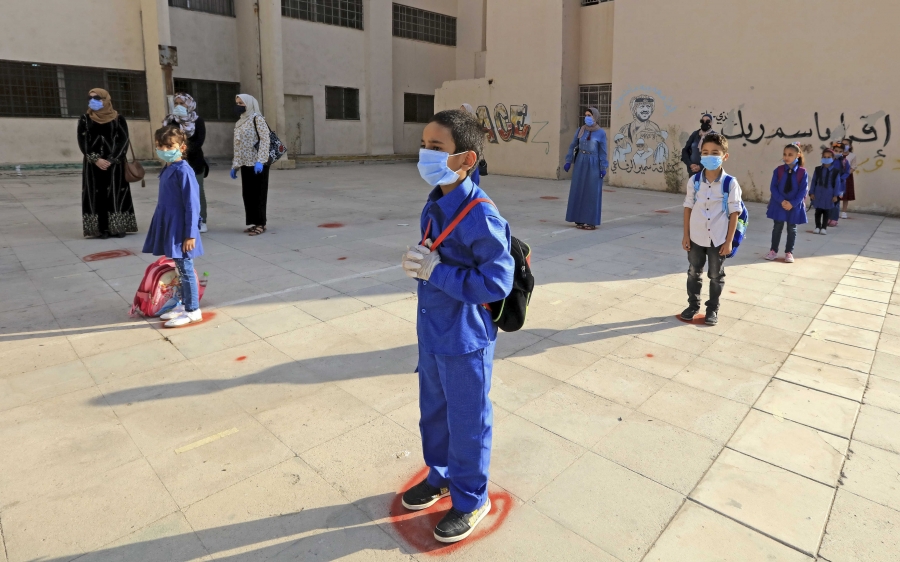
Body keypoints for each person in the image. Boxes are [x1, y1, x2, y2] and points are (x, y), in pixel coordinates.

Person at [399, 109, 514, 544]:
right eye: (423, 145)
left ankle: (471, 499)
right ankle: (441, 476)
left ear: (466, 159)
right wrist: (422, 262)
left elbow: (497, 282)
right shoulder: (434, 203)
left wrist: (436, 271)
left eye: (436, 148)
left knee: (467, 422)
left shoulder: (480, 215)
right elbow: (438, 253)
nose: (425, 155)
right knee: (434, 413)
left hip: (464, 338)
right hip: (433, 331)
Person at [143, 125, 204, 328]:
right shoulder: (169, 168)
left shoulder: (184, 171)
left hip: (181, 228)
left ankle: (193, 310)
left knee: (185, 269)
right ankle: (183, 304)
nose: (164, 150)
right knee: (179, 268)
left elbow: (192, 205)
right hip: (170, 224)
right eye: (160, 146)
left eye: (170, 146)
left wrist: (191, 234)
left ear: (182, 147)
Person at [681, 133, 743, 326]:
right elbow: (688, 207)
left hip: (718, 238)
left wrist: (729, 241)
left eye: (715, 153)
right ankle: (693, 305)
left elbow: (734, 213)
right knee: (694, 272)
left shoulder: (730, 183)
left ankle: (712, 309)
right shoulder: (694, 181)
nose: (710, 156)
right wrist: (686, 235)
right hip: (696, 236)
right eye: (705, 152)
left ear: (725, 156)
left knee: (716, 275)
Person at [78, 88, 137, 239]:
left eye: (97, 98)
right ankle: (101, 229)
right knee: (97, 194)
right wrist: (96, 159)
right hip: (93, 165)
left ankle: (117, 227)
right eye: (90, 98)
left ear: (106, 99)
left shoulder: (118, 118)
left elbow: (123, 141)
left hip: (115, 164)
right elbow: (83, 142)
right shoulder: (85, 119)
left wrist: (111, 159)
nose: (93, 101)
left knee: (115, 194)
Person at [164, 93, 209, 232]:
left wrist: (182, 150)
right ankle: (181, 221)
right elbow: (165, 139)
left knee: (197, 191)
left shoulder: (197, 120)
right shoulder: (170, 121)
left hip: (195, 162)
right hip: (175, 162)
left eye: (182, 103)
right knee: (177, 193)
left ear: (189, 104)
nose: (178, 106)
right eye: (176, 103)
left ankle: (201, 220)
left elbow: (199, 141)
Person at [230, 94, 270, 236]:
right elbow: (237, 145)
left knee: (259, 194)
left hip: (258, 164)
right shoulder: (240, 122)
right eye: (237, 103)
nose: (238, 106)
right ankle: (254, 222)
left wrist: (261, 160)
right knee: (248, 194)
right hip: (245, 163)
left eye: (241, 103)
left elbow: (265, 140)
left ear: (249, 104)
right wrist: (235, 165)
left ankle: (261, 223)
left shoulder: (257, 119)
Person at [563, 108, 609, 230]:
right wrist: (568, 160)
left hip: (593, 162)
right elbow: (573, 145)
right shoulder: (581, 130)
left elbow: (603, 151)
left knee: (591, 191)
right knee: (578, 188)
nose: (587, 117)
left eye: (589, 115)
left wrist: (603, 167)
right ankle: (578, 218)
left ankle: (590, 221)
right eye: (586, 115)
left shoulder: (601, 133)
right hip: (580, 161)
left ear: (595, 117)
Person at [765, 143, 809, 263]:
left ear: (798, 155)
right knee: (777, 227)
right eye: (785, 154)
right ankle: (773, 250)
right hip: (779, 204)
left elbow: (803, 190)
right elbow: (773, 187)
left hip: (794, 205)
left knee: (792, 229)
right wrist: (782, 200)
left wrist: (792, 203)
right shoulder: (778, 170)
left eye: (790, 154)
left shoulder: (802, 172)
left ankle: (789, 252)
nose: (786, 157)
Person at [809, 148, 840, 235]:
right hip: (818, 193)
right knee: (818, 211)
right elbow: (814, 181)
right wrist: (811, 192)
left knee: (826, 212)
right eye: (824, 157)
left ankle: (824, 227)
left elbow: (837, 183)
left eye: (829, 157)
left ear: (833, 158)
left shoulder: (835, 171)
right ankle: (817, 226)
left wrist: (835, 195)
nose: (826, 159)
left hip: (829, 194)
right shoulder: (818, 169)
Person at [460, 103, 486, 184]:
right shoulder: (460, 124)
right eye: (461, 110)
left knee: (474, 170)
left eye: (464, 110)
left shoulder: (474, 124)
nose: (462, 113)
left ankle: (474, 187)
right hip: (462, 150)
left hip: (472, 150)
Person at [828, 143, 851, 227]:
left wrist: (840, 178)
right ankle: (828, 217)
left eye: (840, 151)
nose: (837, 153)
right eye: (836, 151)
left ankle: (834, 219)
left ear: (843, 152)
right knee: (828, 201)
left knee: (836, 202)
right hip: (829, 184)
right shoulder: (829, 160)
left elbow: (847, 172)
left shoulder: (844, 161)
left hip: (840, 185)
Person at [840, 138, 856, 218]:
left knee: (845, 195)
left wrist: (845, 175)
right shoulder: (838, 154)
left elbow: (853, 167)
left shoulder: (852, 156)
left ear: (850, 146)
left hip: (847, 177)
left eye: (846, 144)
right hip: (837, 176)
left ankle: (844, 212)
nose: (844, 145)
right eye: (843, 144)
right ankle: (833, 211)